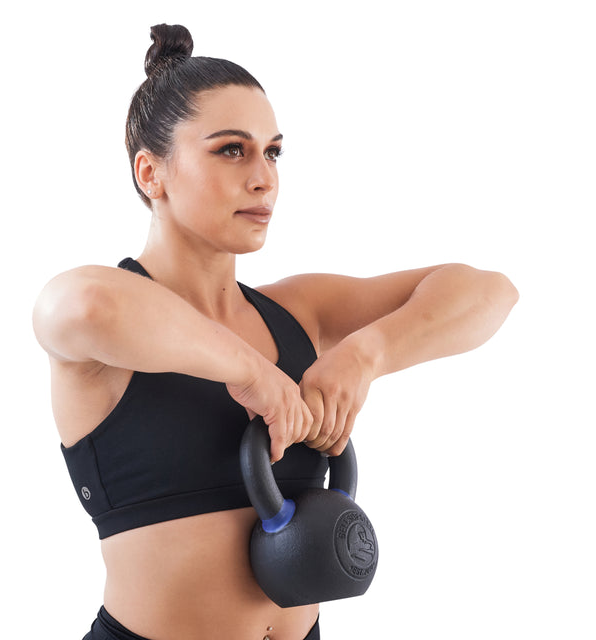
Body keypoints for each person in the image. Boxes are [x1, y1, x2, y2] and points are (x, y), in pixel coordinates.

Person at [32, 23, 518, 640]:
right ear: (151, 173)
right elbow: (77, 306)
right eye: (231, 149)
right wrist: (251, 371)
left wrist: (367, 354)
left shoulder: (298, 311)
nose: (264, 177)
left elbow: (490, 291)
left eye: (274, 151)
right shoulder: (109, 325)